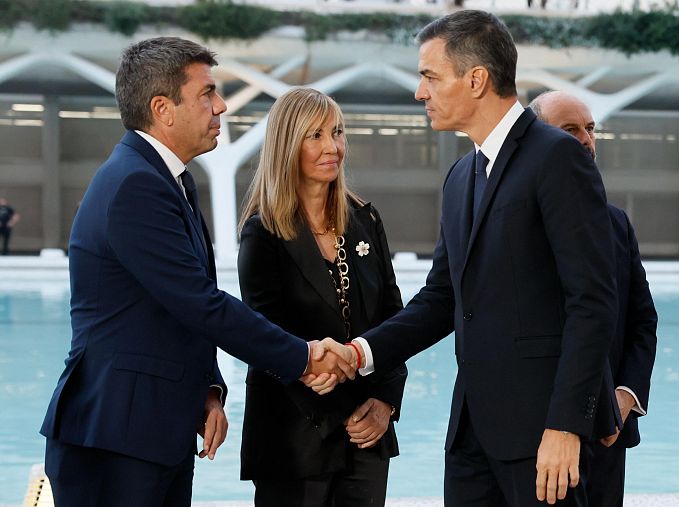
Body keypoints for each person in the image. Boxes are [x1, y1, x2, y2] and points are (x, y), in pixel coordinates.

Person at [40, 37, 354, 507]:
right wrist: (303, 357)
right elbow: (200, 303)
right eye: (207, 93)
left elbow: (178, 306)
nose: (221, 106)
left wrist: (209, 389)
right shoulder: (136, 186)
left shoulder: (171, 180)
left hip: (150, 431)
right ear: (163, 108)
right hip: (115, 439)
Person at [339, 11, 622, 506]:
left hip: (544, 437)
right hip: (472, 434)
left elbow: (592, 301)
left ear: (476, 79)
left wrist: (564, 425)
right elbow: (442, 298)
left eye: (429, 76)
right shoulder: (458, 177)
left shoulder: (558, 157)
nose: (419, 92)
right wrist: (359, 353)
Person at [237, 87, 408, 506]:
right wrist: (343, 413)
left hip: (369, 435)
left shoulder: (365, 219)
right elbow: (264, 337)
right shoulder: (263, 233)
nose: (332, 146)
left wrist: (385, 401)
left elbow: (394, 319)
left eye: (337, 132)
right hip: (294, 439)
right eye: (314, 135)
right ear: (287, 145)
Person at [530, 90, 658, 507]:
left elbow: (642, 320)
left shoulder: (616, 222)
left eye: (590, 129)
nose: (586, 139)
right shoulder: (517, 220)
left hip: (608, 432)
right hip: (537, 430)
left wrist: (625, 396)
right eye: (570, 130)